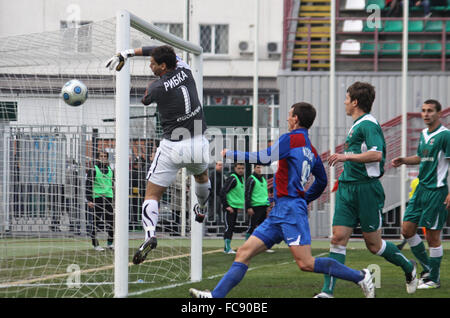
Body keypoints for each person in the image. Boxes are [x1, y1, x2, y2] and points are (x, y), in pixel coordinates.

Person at [189, 102, 376, 298]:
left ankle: (360, 276)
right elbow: (322, 181)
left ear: (296, 119)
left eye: (289, 115)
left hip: (290, 210)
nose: (287, 118)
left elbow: (265, 157)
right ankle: (215, 297)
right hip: (281, 210)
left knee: (306, 263)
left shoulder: (291, 138)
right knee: (244, 252)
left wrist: (232, 154)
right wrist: (305, 198)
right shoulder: (310, 149)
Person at [106, 45, 211, 264]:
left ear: (163, 66)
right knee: (202, 178)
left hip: (173, 146)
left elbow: (145, 100)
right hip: (198, 141)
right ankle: (200, 209)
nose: (150, 65)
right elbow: (165, 50)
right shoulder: (184, 67)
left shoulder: (156, 87)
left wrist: (128, 54)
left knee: (152, 195)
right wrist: (132, 53)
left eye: (153, 63)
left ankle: (150, 234)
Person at [315, 82, 418, 298]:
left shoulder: (369, 124)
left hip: (366, 191)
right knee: (337, 238)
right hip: (347, 188)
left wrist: (346, 156)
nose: (344, 102)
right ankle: (327, 292)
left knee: (374, 245)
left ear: (355, 102)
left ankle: (408, 267)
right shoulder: (357, 124)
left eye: (346, 98)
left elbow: (377, 154)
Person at [391, 99, 450, 289]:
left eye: (430, 111)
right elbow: (422, 157)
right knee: (407, 229)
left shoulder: (445, 135)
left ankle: (434, 279)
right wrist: (404, 160)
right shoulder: (424, 133)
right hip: (421, 190)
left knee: (433, 237)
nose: (426, 114)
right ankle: (427, 269)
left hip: (437, 192)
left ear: (439, 114)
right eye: (423, 110)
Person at [86, 151, 115, 251]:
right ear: (98, 158)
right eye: (101, 156)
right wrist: (89, 200)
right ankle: (95, 244)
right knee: (95, 222)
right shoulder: (94, 169)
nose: (103, 158)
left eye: (105, 156)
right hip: (97, 199)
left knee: (111, 222)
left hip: (108, 198)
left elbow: (112, 184)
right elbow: (88, 185)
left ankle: (110, 243)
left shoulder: (110, 170)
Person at [220, 163, 246, 254]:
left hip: (235, 207)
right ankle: (227, 248)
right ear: (235, 168)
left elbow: (238, 194)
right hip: (230, 207)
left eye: (242, 168)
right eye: (239, 168)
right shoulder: (233, 178)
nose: (241, 170)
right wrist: (227, 206)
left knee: (231, 227)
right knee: (229, 227)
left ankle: (227, 247)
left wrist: (238, 207)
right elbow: (223, 192)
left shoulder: (241, 179)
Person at [245, 164, 270, 240]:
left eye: (261, 167)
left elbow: (265, 193)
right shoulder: (251, 179)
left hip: (263, 205)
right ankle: (247, 244)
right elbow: (247, 194)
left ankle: (260, 245)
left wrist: (267, 204)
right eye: (258, 167)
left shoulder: (263, 179)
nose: (260, 169)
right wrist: (249, 207)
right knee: (252, 226)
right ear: (254, 168)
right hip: (255, 206)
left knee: (262, 226)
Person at [209, 160, 224, 225]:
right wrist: (213, 195)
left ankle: (219, 227)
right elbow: (210, 185)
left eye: (221, 165)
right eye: (219, 165)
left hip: (219, 196)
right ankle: (211, 227)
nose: (221, 166)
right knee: (213, 212)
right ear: (216, 166)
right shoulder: (213, 174)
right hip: (214, 196)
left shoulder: (221, 174)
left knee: (220, 212)